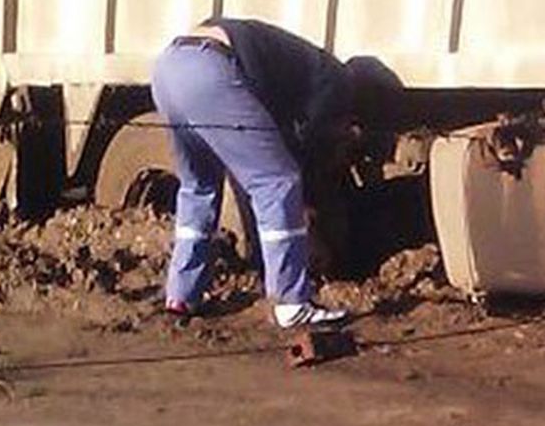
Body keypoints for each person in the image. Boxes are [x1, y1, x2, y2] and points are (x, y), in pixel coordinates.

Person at [150, 17, 396, 328]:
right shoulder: (337, 82)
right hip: (213, 69)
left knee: (198, 186)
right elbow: (306, 148)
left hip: (170, 67)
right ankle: (291, 301)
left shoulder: (300, 66)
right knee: (278, 181)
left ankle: (182, 294)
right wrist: (310, 213)